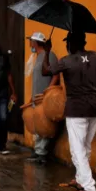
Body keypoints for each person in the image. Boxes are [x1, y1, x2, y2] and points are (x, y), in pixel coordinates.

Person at [42, 32, 96, 191]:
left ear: (70, 45)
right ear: (84, 42)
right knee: (85, 145)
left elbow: (45, 71)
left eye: (68, 43)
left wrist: (47, 51)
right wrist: (94, 86)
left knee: (77, 148)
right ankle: (81, 179)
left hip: (77, 109)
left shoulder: (66, 61)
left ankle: (89, 187)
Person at [27, 32, 60, 163]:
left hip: (44, 96)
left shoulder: (49, 55)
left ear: (35, 42)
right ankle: (38, 151)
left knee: (45, 124)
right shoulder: (37, 56)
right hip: (37, 96)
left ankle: (42, 153)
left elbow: (55, 75)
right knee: (38, 124)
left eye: (31, 41)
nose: (30, 43)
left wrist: (47, 91)